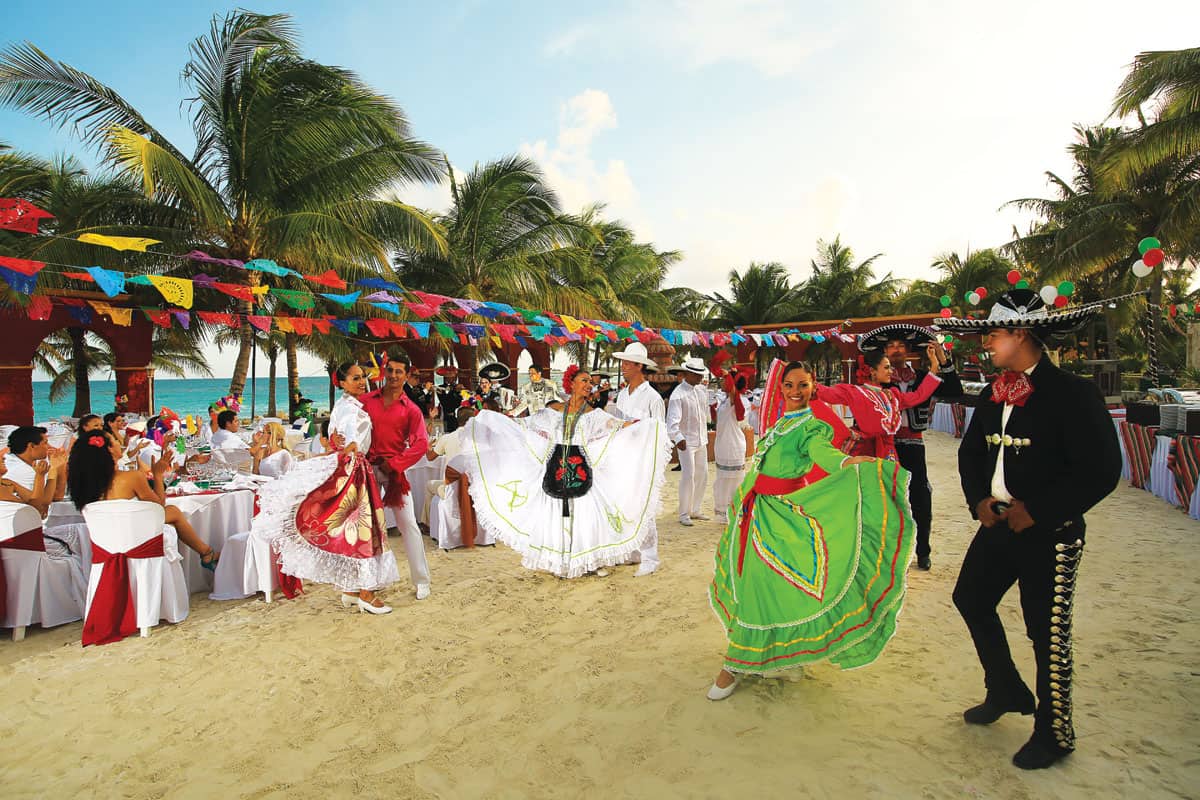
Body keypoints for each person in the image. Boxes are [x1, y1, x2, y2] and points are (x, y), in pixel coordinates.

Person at [940, 289, 1122, 770]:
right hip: (997, 524)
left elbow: (1102, 470)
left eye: (994, 335)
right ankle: (1004, 687)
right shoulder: (995, 389)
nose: (987, 344)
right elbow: (971, 453)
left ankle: (1054, 732)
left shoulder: (1072, 393)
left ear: (1021, 334)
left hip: (1051, 532)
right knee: (971, 598)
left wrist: (1037, 510)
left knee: (1048, 631)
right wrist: (978, 499)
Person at [707, 360, 915, 700]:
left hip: (782, 515)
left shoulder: (813, 427)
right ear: (781, 387)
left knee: (762, 584)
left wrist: (847, 463)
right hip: (754, 511)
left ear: (813, 385)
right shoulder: (778, 424)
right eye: (789, 385)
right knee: (764, 585)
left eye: (803, 385)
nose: (795, 391)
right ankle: (783, 655)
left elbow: (824, 454)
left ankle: (736, 662)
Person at [459, 364, 669, 578]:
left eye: (590, 381)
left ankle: (588, 561)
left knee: (584, 514)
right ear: (571, 384)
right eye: (584, 381)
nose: (589, 385)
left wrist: (644, 426)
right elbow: (527, 424)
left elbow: (616, 425)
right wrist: (499, 420)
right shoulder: (554, 410)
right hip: (557, 464)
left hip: (580, 465)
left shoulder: (594, 413)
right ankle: (561, 563)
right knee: (557, 514)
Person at [257, 362, 400, 614]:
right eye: (355, 378)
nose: (361, 381)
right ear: (341, 382)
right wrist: (350, 451)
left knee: (350, 529)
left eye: (363, 377)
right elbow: (350, 443)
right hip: (353, 470)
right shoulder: (349, 410)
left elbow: (339, 439)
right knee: (363, 530)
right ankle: (366, 593)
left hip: (351, 467)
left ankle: (352, 590)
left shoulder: (346, 406)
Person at [859, 324, 965, 570]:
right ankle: (890, 554)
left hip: (914, 444)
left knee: (920, 496)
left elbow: (954, 391)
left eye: (900, 346)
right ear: (884, 351)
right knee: (886, 498)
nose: (895, 350)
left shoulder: (920, 377)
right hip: (886, 445)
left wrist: (941, 359)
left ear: (908, 351)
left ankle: (923, 550)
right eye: (890, 346)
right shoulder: (878, 380)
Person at [66, 430, 219, 567]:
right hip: (137, 540)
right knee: (172, 510)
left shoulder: (86, 483)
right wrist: (157, 475)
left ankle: (206, 553)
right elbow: (158, 507)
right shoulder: (131, 477)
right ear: (109, 450)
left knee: (172, 511)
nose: (120, 444)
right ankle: (206, 553)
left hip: (107, 545)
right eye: (115, 441)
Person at [360, 351, 433, 601]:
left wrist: (396, 464)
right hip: (366, 471)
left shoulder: (411, 410)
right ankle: (367, 584)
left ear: (407, 375)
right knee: (367, 528)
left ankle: (422, 581)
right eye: (389, 370)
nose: (392, 375)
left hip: (394, 473)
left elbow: (421, 444)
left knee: (408, 525)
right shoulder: (366, 401)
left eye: (398, 371)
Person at [815, 344, 944, 462]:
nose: (891, 371)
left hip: (888, 453)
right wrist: (805, 383)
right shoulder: (854, 392)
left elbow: (919, 395)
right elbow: (825, 393)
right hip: (863, 452)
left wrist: (934, 365)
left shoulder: (891, 396)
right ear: (872, 371)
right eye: (887, 367)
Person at [610, 341, 666, 576]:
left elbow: (660, 432)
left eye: (626, 362)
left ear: (637, 366)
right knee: (625, 505)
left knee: (645, 507)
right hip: (623, 456)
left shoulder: (652, 397)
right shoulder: (622, 395)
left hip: (643, 459)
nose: (623, 366)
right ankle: (632, 551)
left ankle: (650, 557)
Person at [707, 353, 755, 525]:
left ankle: (735, 511)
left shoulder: (738, 401)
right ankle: (722, 512)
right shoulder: (726, 401)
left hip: (733, 445)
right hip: (722, 444)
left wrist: (726, 374)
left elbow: (732, 391)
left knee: (735, 481)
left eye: (723, 381)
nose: (721, 383)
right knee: (722, 480)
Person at [667, 357, 711, 526]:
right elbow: (671, 423)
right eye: (696, 375)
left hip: (701, 439)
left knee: (703, 475)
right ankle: (684, 513)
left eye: (701, 375)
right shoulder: (678, 395)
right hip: (686, 441)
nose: (700, 378)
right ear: (687, 374)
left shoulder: (701, 391)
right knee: (688, 476)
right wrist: (678, 438)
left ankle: (695, 509)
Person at [5, 426, 67, 514]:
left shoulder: (14, 459)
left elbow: (56, 495)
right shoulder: (22, 470)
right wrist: (56, 468)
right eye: (45, 443)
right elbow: (50, 500)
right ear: (32, 446)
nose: (49, 447)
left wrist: (59, 466)